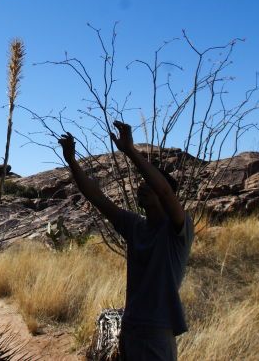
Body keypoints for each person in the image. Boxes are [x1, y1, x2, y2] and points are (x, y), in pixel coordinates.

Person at [58, 121, 194, 361]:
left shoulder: (177, 230)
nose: (141, 188)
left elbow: (164, 190)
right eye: (142, 184)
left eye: (148, 185)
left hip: (157, 332)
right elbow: (97, 197)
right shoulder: (135, 226)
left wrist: (129, 150)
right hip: (131, 327)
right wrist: (72, 162)